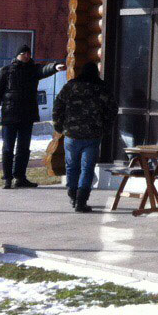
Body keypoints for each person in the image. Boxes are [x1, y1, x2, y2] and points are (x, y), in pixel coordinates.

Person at [0, 45, 64, 189]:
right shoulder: (6, 71)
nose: (27, 56)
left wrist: (55, 67)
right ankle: (7, 178)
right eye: (24, 54)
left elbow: (44, 69)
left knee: (24, 148)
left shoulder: (32, 70)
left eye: (29, 54)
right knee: (8, 148)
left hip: (27, 115)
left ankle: (20, 177)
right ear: (18, 55)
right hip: (10, 115)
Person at [51, 61, 116, 213]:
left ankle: (73, 195)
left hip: (71, 133)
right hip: (93, 134)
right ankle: (82, 200)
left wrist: (58, 126)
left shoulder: (70, 86)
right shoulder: (102, 88)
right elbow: (112, 109)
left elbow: (58, 106)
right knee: (87, 167)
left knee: (71, 166)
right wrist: (105, 127)